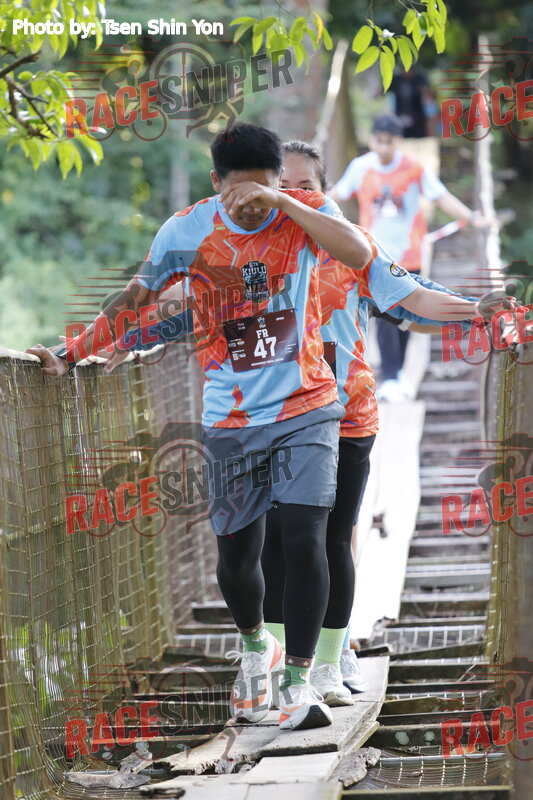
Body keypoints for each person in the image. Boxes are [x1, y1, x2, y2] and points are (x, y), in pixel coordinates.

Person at [97, 140, 512, 710]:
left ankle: (326, 661)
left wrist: (478, 311)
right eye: (278, 186)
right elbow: (192, 315)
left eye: (300, 188)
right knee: (270, 546)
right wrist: (115, 341)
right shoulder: (252, 252)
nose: (282, 196)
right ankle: (278, 661)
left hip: (346, 414)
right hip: (271, 414)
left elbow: (411, 300)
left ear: (322, 195)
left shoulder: (341, 247)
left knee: (329, 540)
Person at [27, 121, 374, 733]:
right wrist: (72, 351)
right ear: (216, 183)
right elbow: (136, 299)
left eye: (263, 190)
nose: (251, 205)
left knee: (305, 537)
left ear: (279, 183)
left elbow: (359, 254)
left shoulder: (303, 213)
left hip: (308, 405)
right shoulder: (185, 231)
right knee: (236, 558)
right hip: (231, 417)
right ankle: (255, 646)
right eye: (240, 192)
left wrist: (287, 203)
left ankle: (297, 683)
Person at [329, 113, 494, 402]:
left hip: (409, 255)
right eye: (379, 141)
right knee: (384, 315)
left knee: (406, 317)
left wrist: (472, 217)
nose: (383, 148)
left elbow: (440, 197)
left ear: (398, 141)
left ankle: (400, 374)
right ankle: (390, 375)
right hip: (374, 258)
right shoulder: (361, 167)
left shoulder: (413, 168)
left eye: (389, 142)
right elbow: (335, 196)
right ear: (372, 140)